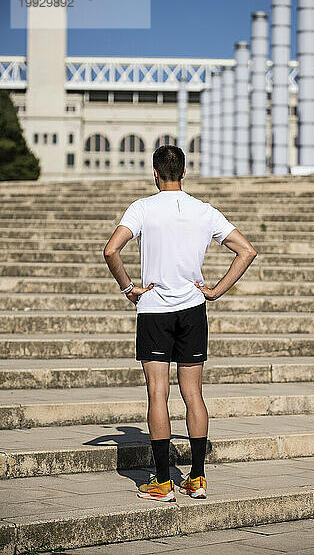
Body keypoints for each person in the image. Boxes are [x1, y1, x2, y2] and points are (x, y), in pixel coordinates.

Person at [103, 145, 257, 502]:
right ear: (184, 173)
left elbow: (111, 249)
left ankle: (161, 482)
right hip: (192, 309)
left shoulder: (142, 208)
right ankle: (197, 479)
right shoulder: (204, 211)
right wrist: (215, 290)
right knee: (194, 394)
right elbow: (247, 250)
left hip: (154, 308)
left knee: (158, 393)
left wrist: (129, 288)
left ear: (155, 173)